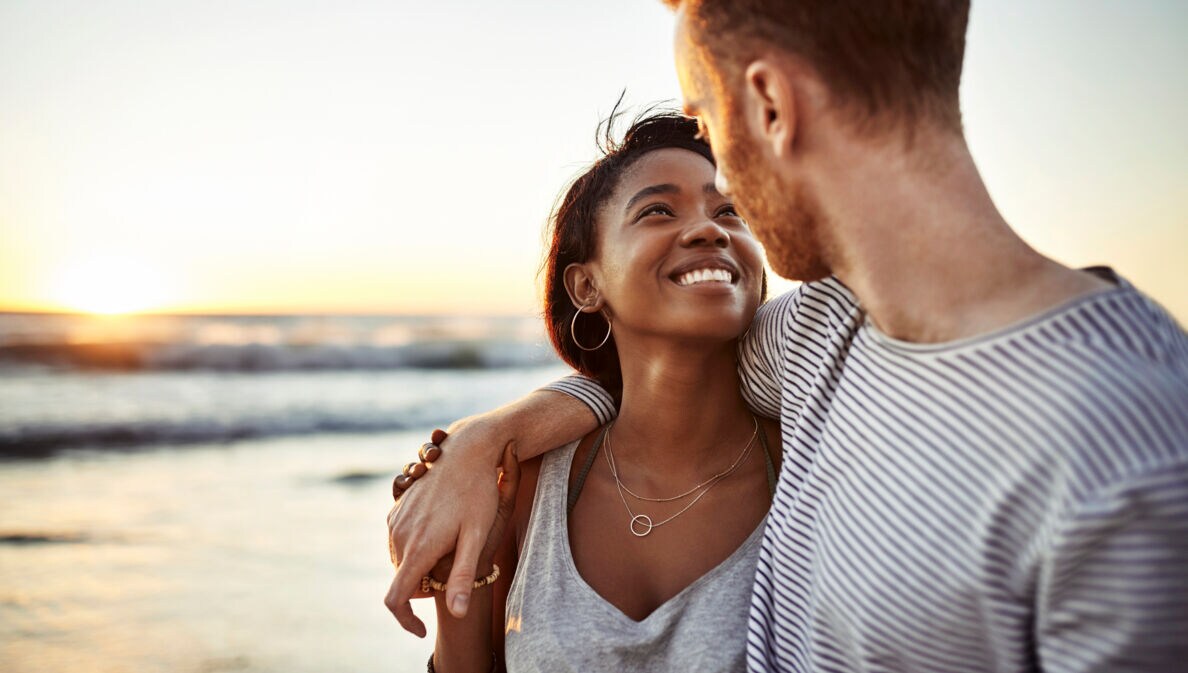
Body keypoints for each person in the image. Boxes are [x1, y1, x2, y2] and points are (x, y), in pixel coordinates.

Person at [387, 2, 1188, 671]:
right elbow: (647, 385)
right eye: (663, 207)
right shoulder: (816, 337)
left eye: (707, 118)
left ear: (769, 105)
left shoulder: (1136, 458)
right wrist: (479, 443)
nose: (720, 196)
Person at [400, 108, 782, 672]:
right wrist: (460, 574)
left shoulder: (809, 464)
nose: (710, 228)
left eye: (729, 209)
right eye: (658, 210)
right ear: (586, 285)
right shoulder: (524, 483)